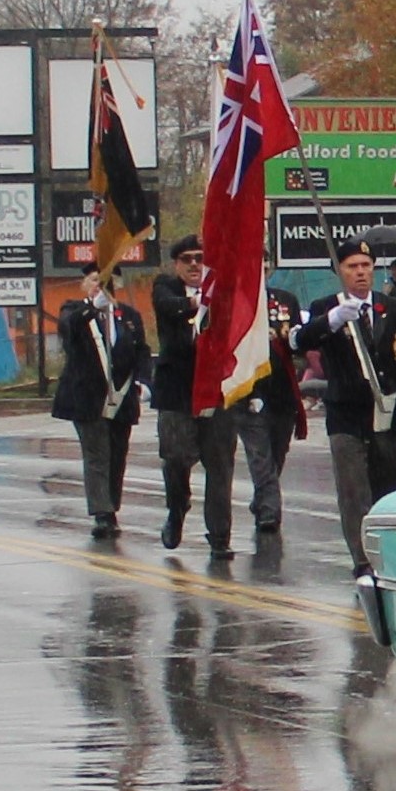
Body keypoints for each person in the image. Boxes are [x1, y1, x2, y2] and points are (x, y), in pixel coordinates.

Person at [290, 239, 396, 575]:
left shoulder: (394, 308)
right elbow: (299, 341)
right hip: (346, 413)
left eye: (365, 265)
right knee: (353, 491)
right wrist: (332, 320)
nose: (360, 272)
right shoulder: (327, 306)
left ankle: (390, 553)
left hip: (387, 410)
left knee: (388, 486)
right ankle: (363, 560)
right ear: (340, 271)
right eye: (352, 267)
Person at [150, 235, 237, 558]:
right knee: (175, 460)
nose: (194, 264)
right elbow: (166, 306)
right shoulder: (166, 287)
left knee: (220, 466)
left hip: (216, 392)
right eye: (186, 259)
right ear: (176, 264)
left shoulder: (223, 293)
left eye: (200, 258)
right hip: (177, 394)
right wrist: (198, 302)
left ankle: (219, 536)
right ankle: (177, 508)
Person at [51, 264, 147, 539]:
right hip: (87, 399)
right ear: (84, 284)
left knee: (117, 456)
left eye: (106, 281)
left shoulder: (127, 316)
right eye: (95, 280)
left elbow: (140, 350)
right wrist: (92, 307)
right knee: (97, 455)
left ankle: (111, 506)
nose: (100, 285)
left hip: (122, 397)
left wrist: (143, 382)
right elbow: (69, 332)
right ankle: (102, 513)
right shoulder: (73, 310)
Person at [233, 271, 305, 538]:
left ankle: (263, 497)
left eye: (262, 262)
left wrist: (298, 370)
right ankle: (269, 512)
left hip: (282, 391)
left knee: (277, 453)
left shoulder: (286, 300)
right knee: (259, 455)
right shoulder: (235, 302)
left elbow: (297, 343)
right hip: (249, 391)